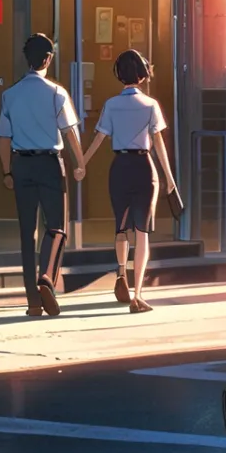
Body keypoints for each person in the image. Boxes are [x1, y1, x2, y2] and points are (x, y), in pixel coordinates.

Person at [0, 33, 87, 318]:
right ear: (48, 58)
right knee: (57, 226)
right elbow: (70, 132)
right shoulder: (56, 93)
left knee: (27, 233)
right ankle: (47, 276)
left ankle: (33, 302)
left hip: (21, 165)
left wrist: (7, 171)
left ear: (27, 58)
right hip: (50, 163)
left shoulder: (10, 94)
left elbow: (3, 138)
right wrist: (79, 163)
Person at [82, 49, 175, 314]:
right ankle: (138, 294)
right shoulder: (151, 105)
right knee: (143, 232)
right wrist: (169, 178)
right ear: (143, 74)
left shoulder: (111, 104)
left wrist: (82, 164)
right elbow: (159, 145)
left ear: (119, 74)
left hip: (119, 167)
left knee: (120, 227)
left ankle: (121, 271)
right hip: (144, 167)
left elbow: (99, 138)